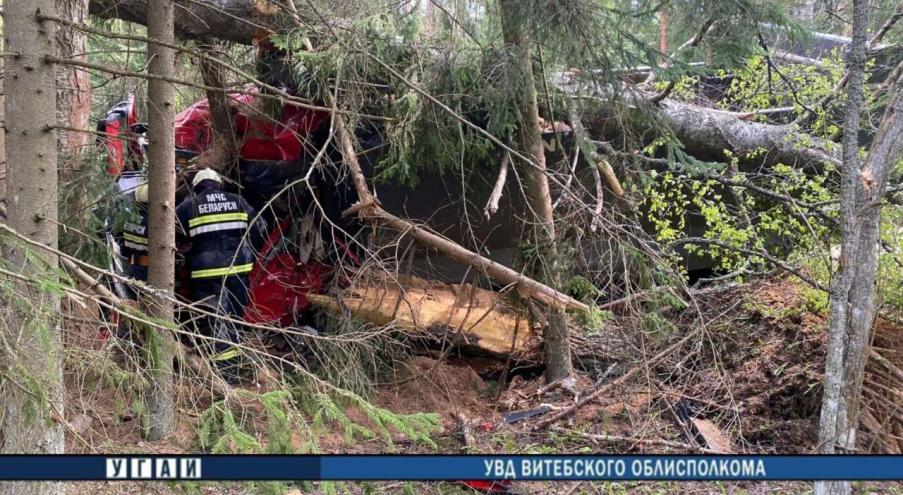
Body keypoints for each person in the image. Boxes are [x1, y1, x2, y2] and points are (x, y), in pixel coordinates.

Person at [176, 168, 266, 383]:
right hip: (238, 270)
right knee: (235, 317)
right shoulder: (238, 200)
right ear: (219, 184)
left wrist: (188, 248)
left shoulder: (189, 206)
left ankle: (226, 371)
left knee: (216, 320)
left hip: (206, 273)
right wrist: (249, 251)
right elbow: (260, 229)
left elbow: (174, 235)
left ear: (197, 187)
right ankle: (233, 367)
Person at [120, 183, 150, 291]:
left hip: (132, 266)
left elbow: (124, 247)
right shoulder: (153, 221)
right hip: (147, 271)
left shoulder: (130, 218)